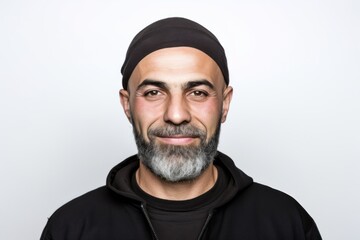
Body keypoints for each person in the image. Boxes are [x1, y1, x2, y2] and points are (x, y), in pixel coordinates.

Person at [40, 17, 322, 240]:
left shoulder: (286, 222)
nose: (176, 115)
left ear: (225, 104)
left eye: (198, 92)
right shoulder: (70, 228)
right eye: (153, 92)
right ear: (127, 105)